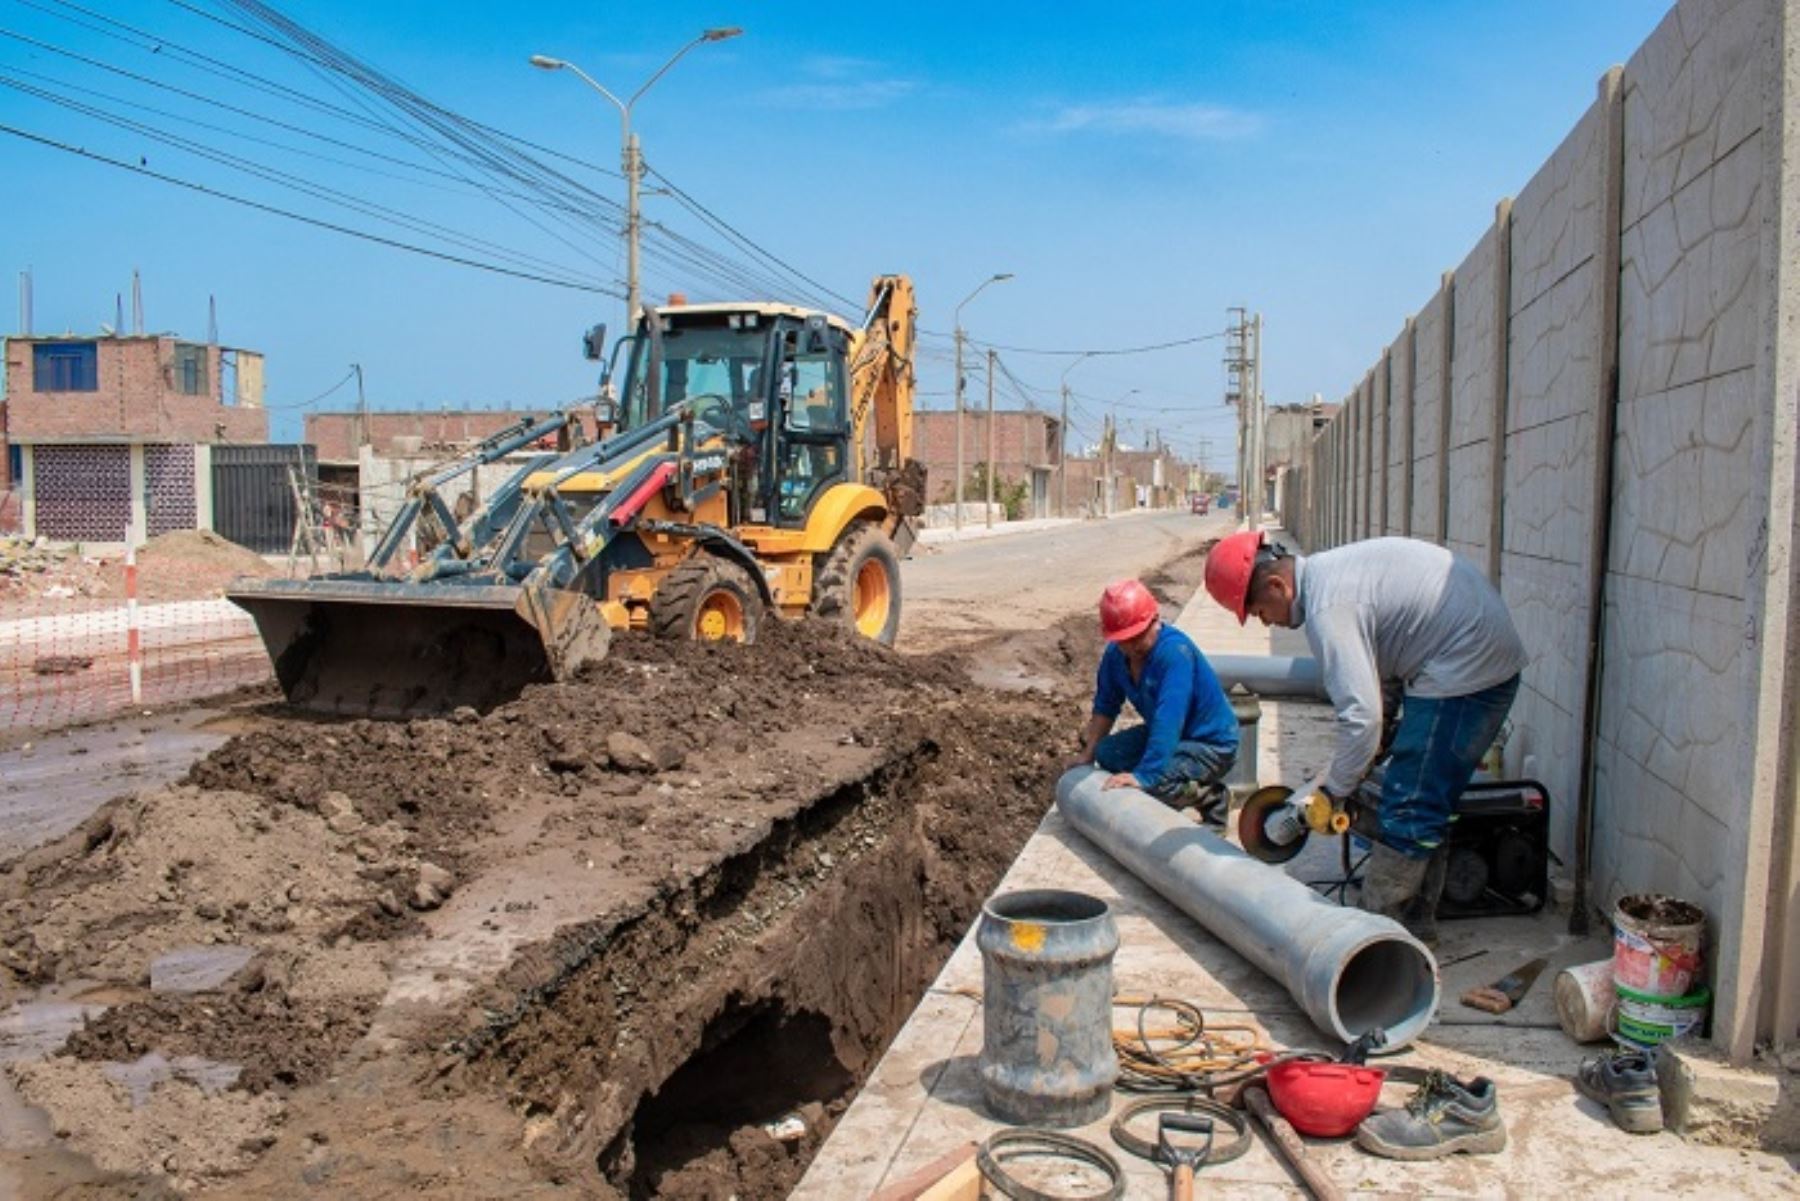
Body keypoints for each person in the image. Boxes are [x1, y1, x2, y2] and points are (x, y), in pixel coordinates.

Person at [1203, 531, 1528, 940]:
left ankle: (1372, 937)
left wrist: (1333, 790)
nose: (1265, 621)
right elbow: (1385, 672)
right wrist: (1371, 747)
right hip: (1467, 655)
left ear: (1276, 585)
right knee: (1427, 799)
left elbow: (1362, 718)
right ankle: (1416, 928)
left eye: (1259, 611)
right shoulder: (1331, 578)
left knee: (1411, 805)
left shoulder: (1328, 608)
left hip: (1467, 666)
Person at [1069, 579, 1239, 812]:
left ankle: (1211, 798)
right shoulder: (1116, 656)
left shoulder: (1174, 654)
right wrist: (1088, 753)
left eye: (1137, 636)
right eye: (1123, 640)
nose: (1131, 647)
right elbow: (1106, 704)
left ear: (1155, 621)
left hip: (1210, 745)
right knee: (1107, 754)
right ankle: (1176, 787)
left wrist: (1145, 777)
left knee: (1155, 781)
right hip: (1175, 737)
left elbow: (1168, 719)